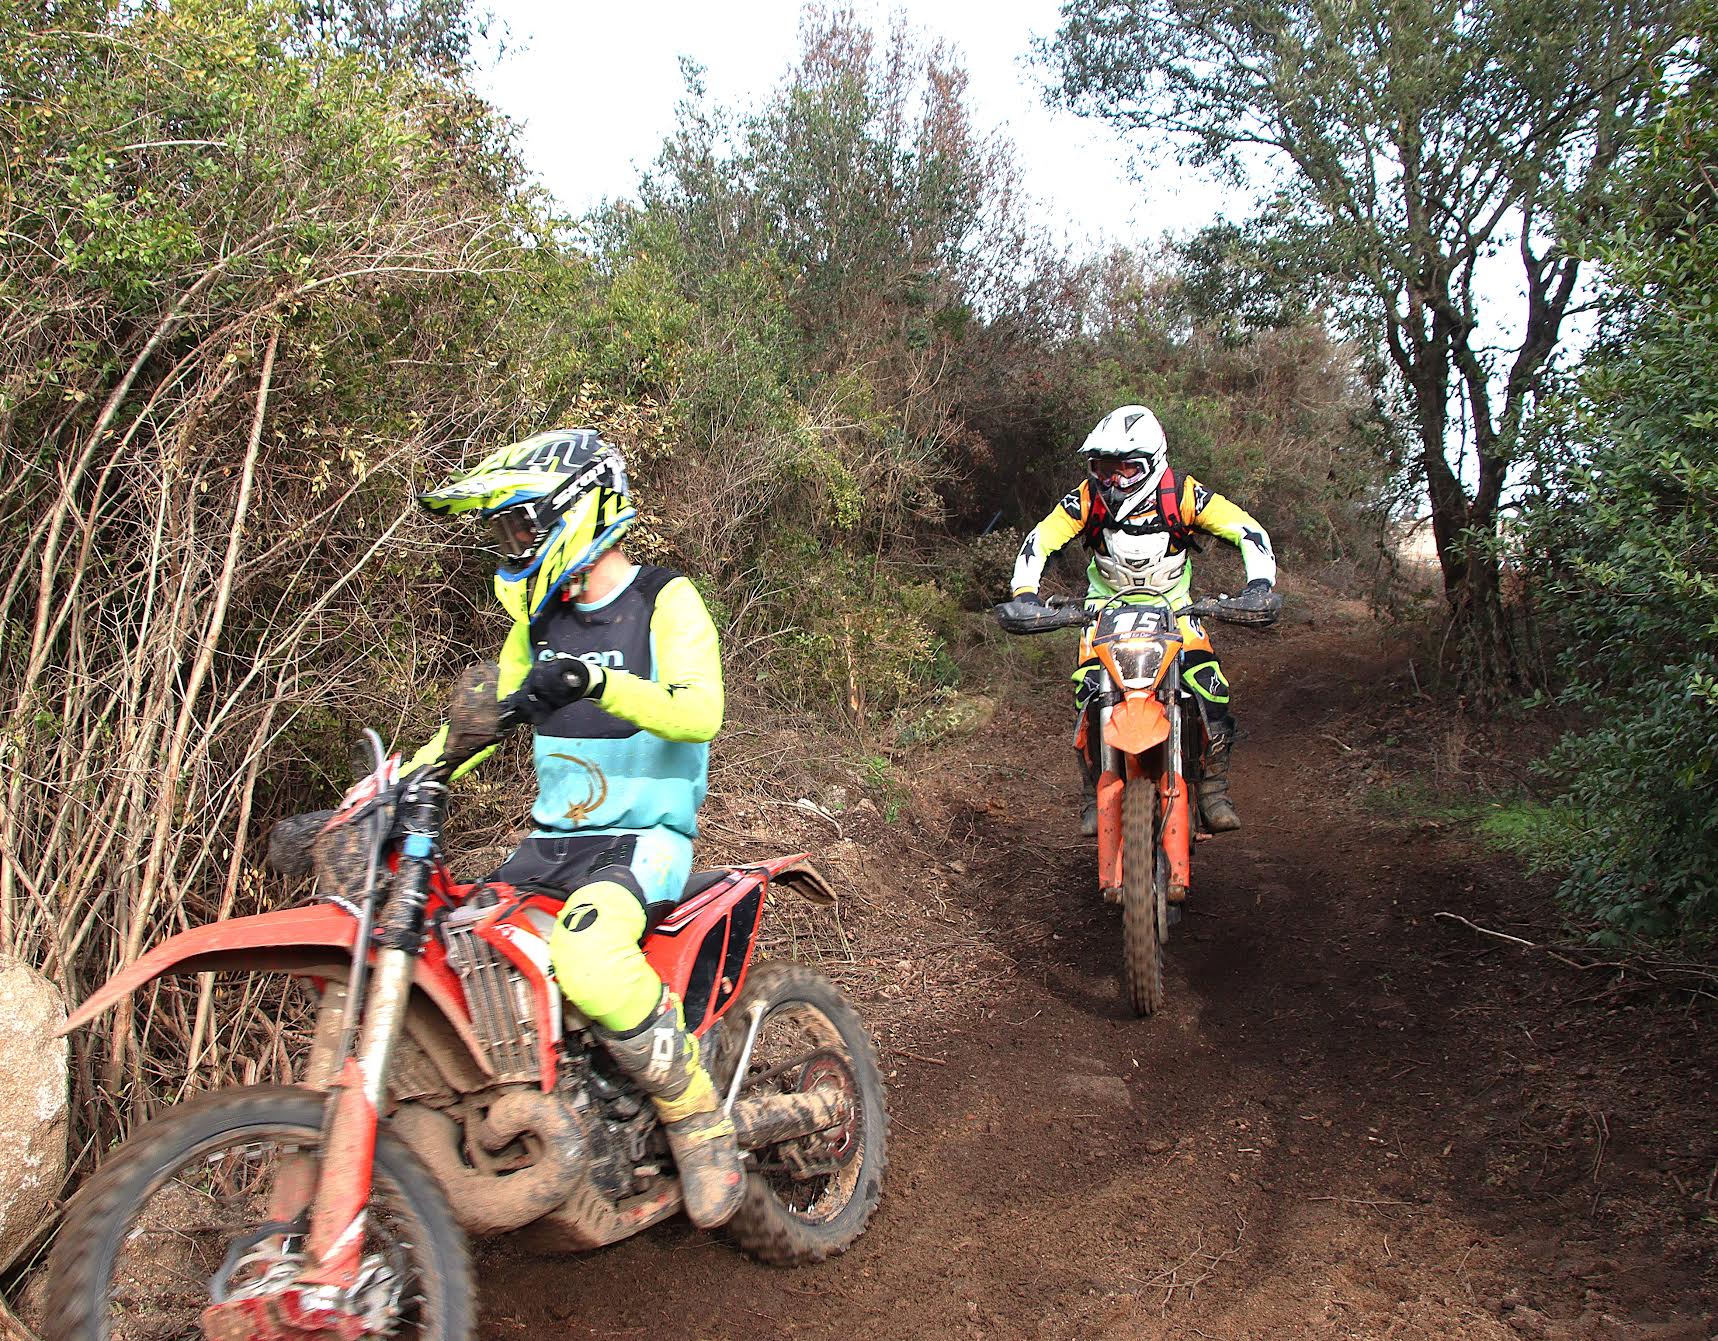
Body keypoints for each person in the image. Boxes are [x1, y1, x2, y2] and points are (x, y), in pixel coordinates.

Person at [409, 427, 743, 1229]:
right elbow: (479, 723)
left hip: (644, 840)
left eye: (522, 527)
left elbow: (702, 711)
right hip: (552, 843)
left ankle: (700, 1119)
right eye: (507, 532)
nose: (513, 545)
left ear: (577, 513)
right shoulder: (536, 625)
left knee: (589, 957)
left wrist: (601, 678)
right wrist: (398, 785)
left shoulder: (667, 600)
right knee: (460, 944)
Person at [1009, 405, 1277, 835]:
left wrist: (1258, 587)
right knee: (1088, 695)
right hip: (1103, 612)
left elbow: (1247, 530)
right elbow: (1039, 540)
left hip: (1177, 611)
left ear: (1153, 462)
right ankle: (1094, 787)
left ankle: (1211, 787)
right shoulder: (1086, 499)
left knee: (1212, 688)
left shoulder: (1183, 495)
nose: (1111, 480)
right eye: (1102, 468)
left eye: (1125, 469)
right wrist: (1025, 595)